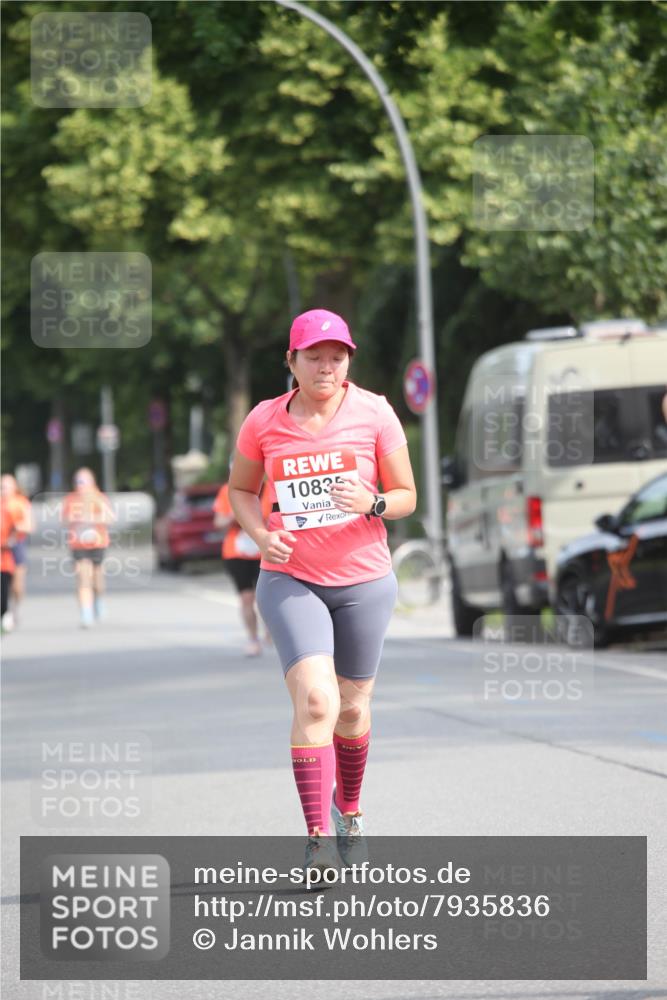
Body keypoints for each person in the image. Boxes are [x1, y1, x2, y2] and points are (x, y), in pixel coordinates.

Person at [229, 308, 417, 876]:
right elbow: (240, 489)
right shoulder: (264, 421)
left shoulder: (375, 413)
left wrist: (374, 503)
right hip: (291, 578)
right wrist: (261, 534)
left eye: (337, 356)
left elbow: (407, 493)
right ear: (292, 361)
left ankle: (349, 812)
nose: (327, 366)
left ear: (348, 361)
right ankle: (317, 839)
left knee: (353, 709)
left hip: (364, 578)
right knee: (316, 701)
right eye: (314, 356)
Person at [213, 473, 272, 656]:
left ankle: (271, 633)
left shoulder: (272, 488)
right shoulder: (228, 490)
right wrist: (233, 517)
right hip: (237, 552)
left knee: (268, 597)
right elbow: (218, 522)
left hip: (265, 549)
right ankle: (253, 639)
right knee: (247, 598)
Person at [61, 468, 114, 628]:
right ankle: (86, 612)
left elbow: (110, 518)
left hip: (97, 543)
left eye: (84, 481)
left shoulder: (99, 498)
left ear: (92, 482)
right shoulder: (71, 499)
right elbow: (64, 520)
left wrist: (90, 518)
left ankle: (98, 599)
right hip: (78, 544)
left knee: (97, 580)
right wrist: (74, 518)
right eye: (78, 481)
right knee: (83, 578)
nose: (80, 485)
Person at [0, 474, 32, 629]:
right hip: (2, 546)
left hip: (16, 545)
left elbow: (30, 525)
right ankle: (5, 612)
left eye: (6, 486)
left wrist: (18, 528)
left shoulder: (21, 502)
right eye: (2, 486)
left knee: (17, 585)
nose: (4, 490)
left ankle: (14, 608)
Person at [1, 491, 19, 633]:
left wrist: (10, 541)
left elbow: (16, 528)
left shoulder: (6, 508)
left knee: (4, 591)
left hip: (4, 559)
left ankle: (6, 615)